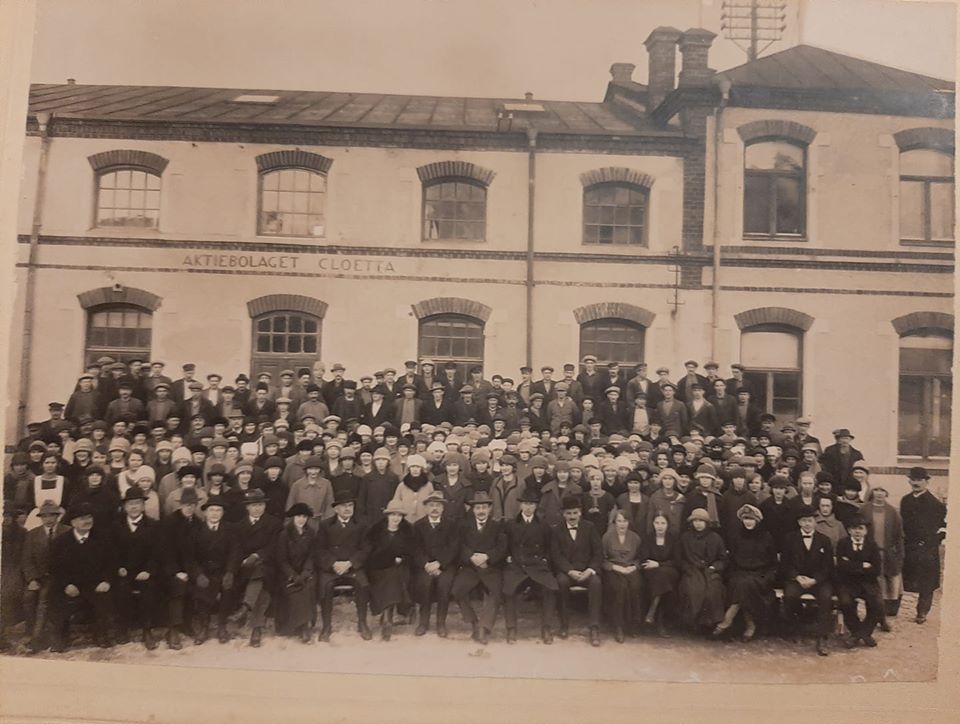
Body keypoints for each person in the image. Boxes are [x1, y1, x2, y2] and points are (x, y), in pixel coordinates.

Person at [48, 502, 116, 652]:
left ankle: (101, 634)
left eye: (89, 517)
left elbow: (111, 563)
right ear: (72, 523)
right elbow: (54, 568)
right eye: (81, 518)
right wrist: (66, 584)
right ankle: (62, 636)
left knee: (104, 598)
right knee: (58, 600)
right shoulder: (61, 542)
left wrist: (106, 580)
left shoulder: (103, 538)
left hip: (95, 584)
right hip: (71, 586)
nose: (87, 521)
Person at [502, 488, 558, 644]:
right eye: (525, 504)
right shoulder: (511, 525)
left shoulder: (543, 526)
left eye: (531, 504)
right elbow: (504, 546)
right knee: (509, 591)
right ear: (520, 506)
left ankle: (546, 628)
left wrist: (545, 559)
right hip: (517, 566)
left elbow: (549, 548)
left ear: (536, 506)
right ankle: (511, 628)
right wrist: (507, 557)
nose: (528, 507)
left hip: (537, 566)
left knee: (550, 588)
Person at [315, 489, 372, 642]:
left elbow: (365, 549)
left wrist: (350, 563)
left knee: (363, 585)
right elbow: (320, 549)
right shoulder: (325, 525)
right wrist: (333, 563)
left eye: (350, 505)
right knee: (325, 586)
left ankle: (362, 622)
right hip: (332, 568)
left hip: (352, 567)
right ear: (336, 509)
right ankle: (326, 626)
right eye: (344, 506)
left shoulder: (361, 525)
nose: (348, 509)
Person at [714, 504, 777, 642]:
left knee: (745, 584)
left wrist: (768, 577)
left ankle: (727, 620)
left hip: (760, 575)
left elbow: (773, 563)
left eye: (751, 519)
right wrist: (732, 573)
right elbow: (731, 560)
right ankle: (750, 625)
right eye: (746, 519)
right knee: (741, 583)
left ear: (757, 521)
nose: (748, 522)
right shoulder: (737, 536)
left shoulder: (766, 537)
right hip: (740, 573)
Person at [451, 490, 506, 645]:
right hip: (471, 567)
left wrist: (487, 557)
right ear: (472, 510)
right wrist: (471, 557)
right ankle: (474, 622)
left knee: (495, 592)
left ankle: (484, 627)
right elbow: (460, 546)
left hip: (490, 567)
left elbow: (502, 547)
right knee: (457, 590)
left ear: (489, 509)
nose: (481, 511)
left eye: (484, 508)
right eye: (477, 508)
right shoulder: (464, 526)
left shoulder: (497, 526)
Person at [780, 504, 835, 656]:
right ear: (799, 523)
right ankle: (796, 628)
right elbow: (785, 563)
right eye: (804, 521)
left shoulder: (824, 540)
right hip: (797, 579)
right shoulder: (790, 538)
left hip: (818, 581)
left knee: (826, 598)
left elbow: (828, 566)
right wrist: (797, 577)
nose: (807, 524)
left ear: (815, 522)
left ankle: (822, 636)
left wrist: (815, 580)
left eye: (810, 520)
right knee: (790, 596)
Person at [111, 487, 162, 649]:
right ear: (125, 507)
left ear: (143, 506)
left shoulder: (154, 525)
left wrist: (148, 570)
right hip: (123, 571)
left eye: (137, 503)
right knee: (120, 588)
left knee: (150, 589)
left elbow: (158, 552)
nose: (134, 507)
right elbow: (111, 551)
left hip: (145, 571)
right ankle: (123, 627)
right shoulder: (115, 525)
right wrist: (118, 567)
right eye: (130, 504)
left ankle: (147, 629)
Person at [230, 488, 282, 647]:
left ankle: (248, 611)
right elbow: (236, 549)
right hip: (245, 567)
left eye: (260, 505)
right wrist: (239, 564)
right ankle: (255, 627)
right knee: (260, 585)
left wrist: (257, 556)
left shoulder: (274, 523)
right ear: (247, 507)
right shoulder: (239, 526)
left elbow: (274, 547)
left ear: (265, 506)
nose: (257, 508)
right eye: (254, 505)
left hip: (268, 565)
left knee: (261, 575)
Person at [551, 493, 603, 646]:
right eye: (568, 513)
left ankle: (594, 627)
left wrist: (590, 569)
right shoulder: (557, 530)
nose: (572, 516)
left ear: (580, 512)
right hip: (567, 571)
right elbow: (556, 555)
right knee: (561, 582)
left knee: (596, 583)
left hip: (587, 571)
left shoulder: (590, 527)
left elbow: (598, 552)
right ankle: (564, 624)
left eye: (575, 512)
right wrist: (569, 571)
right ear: (563, 514)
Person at [20, 499, 70, 652]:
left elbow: (72, 559)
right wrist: (32, 579)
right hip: (39, 577)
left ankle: (37, 638)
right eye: (45, 516)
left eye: (52, 515)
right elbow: (26, 559)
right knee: (29, 597)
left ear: (58, 516)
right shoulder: (33, 534)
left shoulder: (67, 531)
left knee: (44, 599)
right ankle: (31, 629)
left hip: (60, 577)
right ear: (41, 517)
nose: (49, 519)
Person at [189, 495, 240, 645]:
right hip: (203, 571)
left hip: (223, 570)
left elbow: (235, 552)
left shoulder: (230, 529)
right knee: (202, 588)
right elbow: (190, 557)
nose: (215, 513)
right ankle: (204, 626)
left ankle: (222, 626)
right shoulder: (196, 530)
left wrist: (230, 572)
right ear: (205, 513)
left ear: (223, 513)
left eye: (218, 510)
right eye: (211, 510)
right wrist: (197, 574)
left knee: (227, 588)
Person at [900, 466, 947, 624]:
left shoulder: (936, 505)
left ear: (926, 482)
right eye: (913, 479)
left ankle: (922, 611)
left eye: (920, 480)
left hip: (927, 548)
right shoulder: (905, 501)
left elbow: (943, 529)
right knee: (905, 577)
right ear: (909, 481)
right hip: (909, 546)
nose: (916, 483)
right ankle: (893, 607)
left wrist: (931, 543)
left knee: (926, 581)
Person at [412, 491, 459, 638]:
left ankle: (440, 623)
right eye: (431, 505)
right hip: (425, 566)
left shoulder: (451, 525)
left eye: (438, 505)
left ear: (443, 508)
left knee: (444, 586)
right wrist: (426, 564)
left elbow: (453, 547)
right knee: (424, 585)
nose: (434, 509)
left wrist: (439, 564)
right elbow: (415, 548)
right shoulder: (418, 525)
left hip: (445, 565)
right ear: (426, 508)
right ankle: (423, 622)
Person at [365, 502, 415, 641]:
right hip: (378, 568)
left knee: (394, 575)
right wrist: (391, 558)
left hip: (401, 568)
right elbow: (370, 554)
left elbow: (411, 553)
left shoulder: (408, 531)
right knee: (391, 576)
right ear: (387, 515)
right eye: (393, 514)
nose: (396, 518)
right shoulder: (375, 531)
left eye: (399, 515)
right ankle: (390, 616)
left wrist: (402, 559)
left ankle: (387, 618)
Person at [160, 487, 201, 649]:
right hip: (170, 569)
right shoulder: (170, 522)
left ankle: (186, 623)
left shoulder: (197, 522)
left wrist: (195, 572)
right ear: (180, 505)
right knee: (178, 587)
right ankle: (173, 629)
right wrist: (176, 572)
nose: (190, 507)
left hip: (190, 568)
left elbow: (198, 551)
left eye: (193, 504)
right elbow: (164, 551)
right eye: (186, 504)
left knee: (195, 587)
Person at [835, 514, 883, 648]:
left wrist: (852, 565)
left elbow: (876, 570)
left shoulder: (872, 545)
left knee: (877, 604)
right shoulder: (843, 544)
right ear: (849, 530)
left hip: (868, 582)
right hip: (847, 582)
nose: (857, 531)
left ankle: (864, 633)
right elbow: (841, 567)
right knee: (845, 602)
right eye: (854, 528)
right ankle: (857, 632)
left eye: (860, 528)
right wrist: (863, 565)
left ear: (865, 531)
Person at [678, 508, 727, 635]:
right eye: (695, 521)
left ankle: (710, 623)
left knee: (713, 590)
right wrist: (688, 568)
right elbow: (680, 558)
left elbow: (723, 559)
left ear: (707, 523)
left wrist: (714, 567)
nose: (698, 524)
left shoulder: (716, 538)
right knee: (694, 590)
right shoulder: (685, 537)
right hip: (691, 570)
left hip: (710, 571)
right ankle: (693, 623)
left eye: (701, 521)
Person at [275, 503, 317, 643]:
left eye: (304, 516)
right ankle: (296, 625)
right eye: (298, 516)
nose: (301, 519)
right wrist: (293, 575)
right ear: (293, 517)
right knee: (295, 589)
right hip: (287, 573)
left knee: (307, 586)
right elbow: (281, 560)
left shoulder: (310, 533)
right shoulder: (284, 534)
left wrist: (305, 572)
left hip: (305, 572)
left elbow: (311, 556)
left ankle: (304, 626)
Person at [865, 486, 905, 630]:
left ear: (886, 493)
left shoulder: (892, 512)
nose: (879, 493)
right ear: (872, 492)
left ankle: (882, 619)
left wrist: (899, 557)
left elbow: (899, 537)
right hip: (869, 555)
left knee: (884, 591)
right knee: (872, 590)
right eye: (877, 490)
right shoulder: (864, 509)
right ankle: (875, 618)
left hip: (887, 556)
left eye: (883, 490)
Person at [602, 509, 643, 642]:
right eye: (619, 521)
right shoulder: (607, 537)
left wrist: (633, 567)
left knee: (635, 586)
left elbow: (639, 558)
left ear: (629, 522)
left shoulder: (635, 538)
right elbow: (602, 559)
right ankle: (618, 626)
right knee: (620, 587)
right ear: (614, 522)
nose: (622, 524)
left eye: (624, 521)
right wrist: (615, 567)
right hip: (613, 570)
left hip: (630, 570)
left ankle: (632, 624)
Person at [639, 512, 680, 636]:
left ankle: (651, 613)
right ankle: (659, 623)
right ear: (653, 524)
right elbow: (644, 560)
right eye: (657, 523)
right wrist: (655, 566)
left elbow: (677, 561)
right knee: (661, 581)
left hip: (670, 572)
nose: (660, 526)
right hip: (651, 573)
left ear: (667, 525)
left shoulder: (673, 539)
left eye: (663, 523)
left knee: (663, 576)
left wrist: (659, 564)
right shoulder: (648, 538)